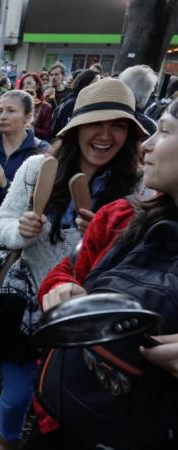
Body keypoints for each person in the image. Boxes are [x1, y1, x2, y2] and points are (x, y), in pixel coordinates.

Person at [0, 78, 147, 450]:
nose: (106, 135)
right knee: (15, 398)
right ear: (76, 127)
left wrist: (108, 239)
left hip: (88, 318)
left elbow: (141, 260)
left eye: (119, 125)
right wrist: (21, 230)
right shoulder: (36, 169)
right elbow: (1, 224)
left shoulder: (136, 189)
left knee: (61, 404)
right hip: (28, 306)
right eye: (97, 123)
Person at [31, 98, 178, 450]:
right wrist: (62, 291)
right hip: (63, 417)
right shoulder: (120, 216)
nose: (148, 144)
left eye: (167, 130)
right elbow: (64, 274)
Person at [0, 90, 50, 256]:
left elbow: (37, 204)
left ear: (28, 117)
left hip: (18, 238)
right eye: (0, 111)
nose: (3, 116)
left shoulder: (40, 153)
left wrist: (4, 182)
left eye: (11, 111)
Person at [50, 69, 100, 136]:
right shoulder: (73, 103)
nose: (99, 87)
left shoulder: (80, 100)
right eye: (95, 84)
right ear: (84, 85)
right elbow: (67, 133)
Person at [119, 64, 158, 135]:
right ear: (144, 95)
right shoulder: (149, 125)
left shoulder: (102, 110)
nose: (151, 95)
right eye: (150, 91)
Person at [19, 72, 53, 141]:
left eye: (29, 83)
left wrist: (28, 127)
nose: (25, 86)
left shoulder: (46, 107)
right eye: (23, 84)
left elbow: (46, 133)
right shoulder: (16, 104)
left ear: (37, 86)